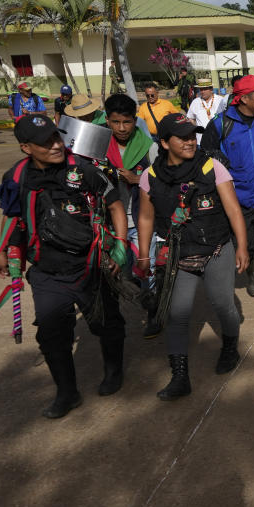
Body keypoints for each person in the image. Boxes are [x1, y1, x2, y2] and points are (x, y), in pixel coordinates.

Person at [0, 115, 129, 418]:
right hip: (47, 271)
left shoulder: (85, 170)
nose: (56, 145)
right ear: (26, 147)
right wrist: (3, 250)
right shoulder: (17, 177)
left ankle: (114, 372)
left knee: (106, 324)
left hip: (91, 265)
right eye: (45, 142)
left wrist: (120, 246)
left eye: (57, 137)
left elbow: (116, 206)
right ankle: (67, 393)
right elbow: (12, 215)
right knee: (52, 334)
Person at [137, 114, 249, 400]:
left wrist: (242, 246)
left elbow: (234, 209)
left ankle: (229, 348)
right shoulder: (149, 177)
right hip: (178, 254)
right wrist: (143, 255)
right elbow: (146, 217)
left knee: (224, 306)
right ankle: (180, 376)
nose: (190, 141)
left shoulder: (212, 167)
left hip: (216, 249)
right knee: (177, 314)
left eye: (192, 136)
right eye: (182, 137)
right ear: (163, 143)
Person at [201, 75, 254, 315]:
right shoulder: (219, 125)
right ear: (243, 98)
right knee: (246, 246)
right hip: (237, 205)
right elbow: (206, 160)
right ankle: (252, 274)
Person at [103, 93, 160, 337]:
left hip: (142, 220)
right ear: (107, 120)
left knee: (149, 268)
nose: (122, 128)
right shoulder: (98, 147)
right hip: (111, 224)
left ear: (135, 120)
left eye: (127, 122)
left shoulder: (150, 148)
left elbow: (163, 182)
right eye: (116, 122)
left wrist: (139, 179)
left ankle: (154, 313)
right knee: (121, 272)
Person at [185, 78, 225, 143]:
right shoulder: (196, 102)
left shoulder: (221, 100)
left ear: (211, 89)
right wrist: (197, 128)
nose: (202, 92)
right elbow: (190, 118)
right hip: (200, 140)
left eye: (205, 89)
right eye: (201, 89)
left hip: (218, 139)